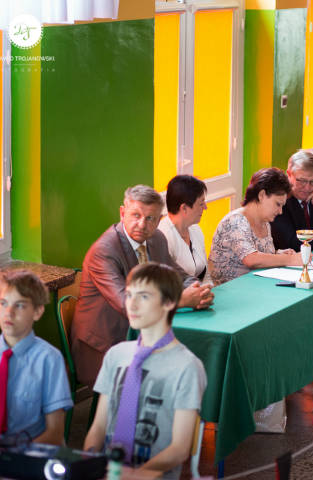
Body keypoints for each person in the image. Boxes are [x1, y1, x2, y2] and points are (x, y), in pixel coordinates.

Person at [71, 185, 214, 388]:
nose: (142, 224)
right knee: (171, 374)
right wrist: (182, 300)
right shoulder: (103, 251)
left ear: (159, 220)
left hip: (145, 334)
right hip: (105, 346)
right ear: (122, 213)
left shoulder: (156, 239)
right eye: (135, 215)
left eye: (150, 218)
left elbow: (179, 276)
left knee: (194, 364)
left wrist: (198, 290)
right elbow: (127, 304)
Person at [85, 263, 206, 477]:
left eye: (144, 297)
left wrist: (132, 476)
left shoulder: (187, 366)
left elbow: (180, 448)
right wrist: (90, 466)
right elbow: (98, 427)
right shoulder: (116, 355)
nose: (132, 305)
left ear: (169, 302)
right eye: (129, 295)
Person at [0, 270, 72, 449]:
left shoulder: (49, 359)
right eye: (3, 303)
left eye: (20, 306)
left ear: (37, 312)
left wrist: (11, 458)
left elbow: (55, 432)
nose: (9, 313)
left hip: (25, 453)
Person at [210, 168, 301, 284]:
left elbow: (260, 255)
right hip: (231, 290)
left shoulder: (265, 222)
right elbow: (251, 259)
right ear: (261, 195)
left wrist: (279, 254)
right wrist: (290, 259)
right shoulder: (236, 221)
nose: (280, 211)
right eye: (278, 204)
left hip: (255, 286)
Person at [158, 175, 209, 282]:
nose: (205, 207)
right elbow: (165, 284)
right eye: (201, 203)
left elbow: (206, 275)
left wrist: (209, 288)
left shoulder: (195, 228)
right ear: (184, 208)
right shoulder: (163, 237)